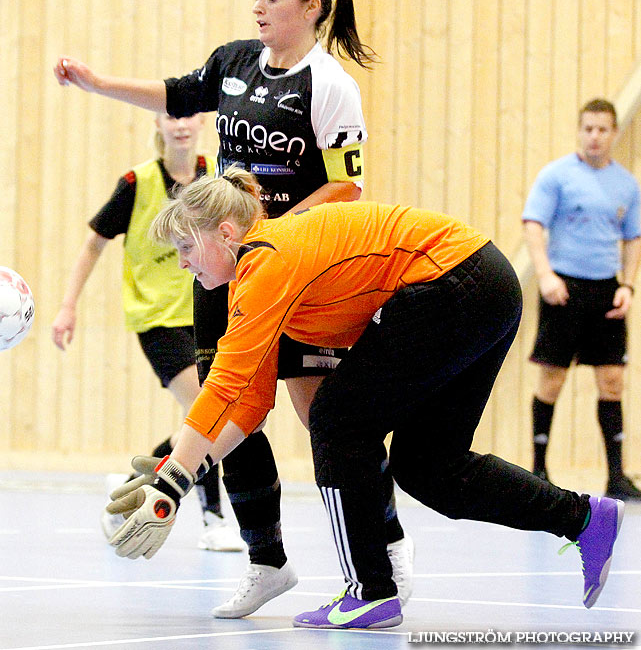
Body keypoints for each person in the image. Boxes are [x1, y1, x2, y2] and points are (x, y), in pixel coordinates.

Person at [105, 166, 625, 630]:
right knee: (429, 468)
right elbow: (248, 401)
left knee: (336, 419)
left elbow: (221, 385)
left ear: (225, 233)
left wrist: (171, 484)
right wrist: (182, 473)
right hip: (483, 286)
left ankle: (371, 591)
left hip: (452, 281)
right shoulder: (265, 273)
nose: (181, 264)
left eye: (187, 248)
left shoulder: (264, 263)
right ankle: (583, 518)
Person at [53, 0, 414, 616]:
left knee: (318, 416)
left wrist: (269, 233)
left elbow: (347, 185)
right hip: (221, 269)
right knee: (231, 411)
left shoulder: (329, 85)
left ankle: (385, 538)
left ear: (311, 6)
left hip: (293, 273)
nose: (258, 8)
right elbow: (176, 94)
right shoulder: (233, 62)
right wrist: (97, 83)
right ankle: (266, 561)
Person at [51, 112, 244, 553]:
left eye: (189, 115)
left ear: (202, 123)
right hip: (156, 319)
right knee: (207, 409)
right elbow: (93, 244)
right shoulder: (136, 183)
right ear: (157, 123)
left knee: (201, 419)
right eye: (171, 115)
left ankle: (137, 481)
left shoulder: (214, 176)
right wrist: (68, 306)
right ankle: (213, 519)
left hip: (206, 314)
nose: (180, 124)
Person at [523, 98, 641, 501]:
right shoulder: (556, 176)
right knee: (552, 380)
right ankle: (539, 470)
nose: (595, 136)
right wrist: (545, 275)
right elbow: (534, 224)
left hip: (606, 290)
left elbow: (633, 238)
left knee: (612, 381)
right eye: (588, 128)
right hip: (563, 289)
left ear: (613, 133)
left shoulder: (626, 184)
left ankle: (617, 476)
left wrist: (627, 286)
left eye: (603, 129)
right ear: (579, 130)